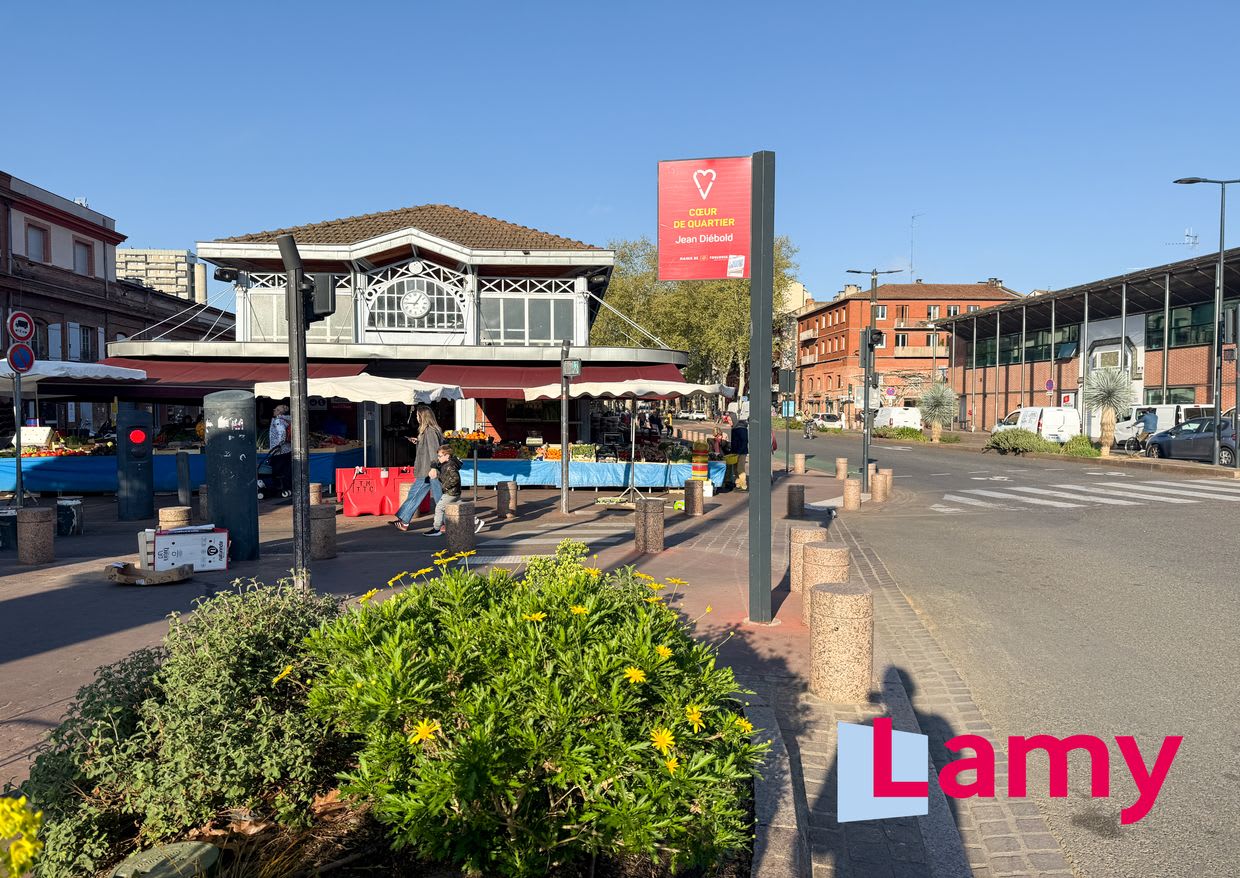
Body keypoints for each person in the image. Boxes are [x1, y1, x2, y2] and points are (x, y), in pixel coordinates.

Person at [393, 405, 444, 530]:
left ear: (423, 417)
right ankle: (445, 523)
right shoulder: (429, 431)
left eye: (417, 415)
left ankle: (404, 521)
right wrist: (418, 441)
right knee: (439, 497)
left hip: (428, 470)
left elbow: (434, 450)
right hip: (429, 469)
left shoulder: (430, 431)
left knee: (415, 494)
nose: (416, 418)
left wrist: (434, 467)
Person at [421, 444, 485, 536]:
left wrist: (446, 487)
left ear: (447, 456)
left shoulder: (449, 466)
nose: (438, 458)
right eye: (438, 456)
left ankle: (436, 529)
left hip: (451, 492)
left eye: (440, 456)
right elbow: (436, 464)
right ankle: (476, 522)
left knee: (439, 508)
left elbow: (455, 478)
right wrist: (434, 467)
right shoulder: (446, 463)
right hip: (454, 491)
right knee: (458, 509)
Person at [267, 404, 292, 499]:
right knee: (286, 471)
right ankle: (287, 487)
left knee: (277, 471)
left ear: (279, 412)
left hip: (279, 450)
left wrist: (279, 444)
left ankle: (279, 488)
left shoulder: (278, 420)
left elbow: (282, 433)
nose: (274, 410)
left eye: (276, 409)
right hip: (287, 449)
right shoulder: (287, 420)